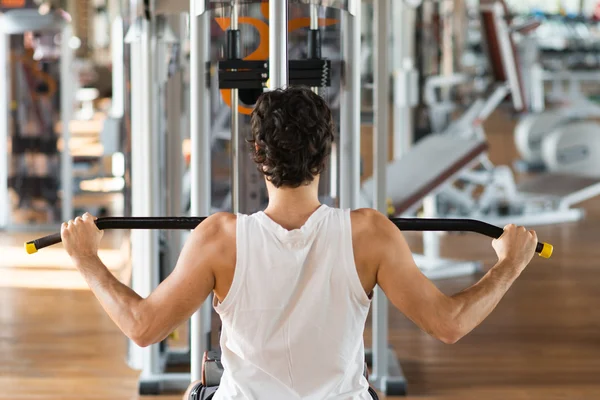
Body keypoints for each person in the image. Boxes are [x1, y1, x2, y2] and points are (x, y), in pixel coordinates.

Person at [61, 86, 539, 400]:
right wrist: (509, 265)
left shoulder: (218, 239)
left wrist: (87, 259)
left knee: (198, 384)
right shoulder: (371, 233)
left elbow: (142, 327)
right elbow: (449, 325)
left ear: (257, 155)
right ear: (325, 153)